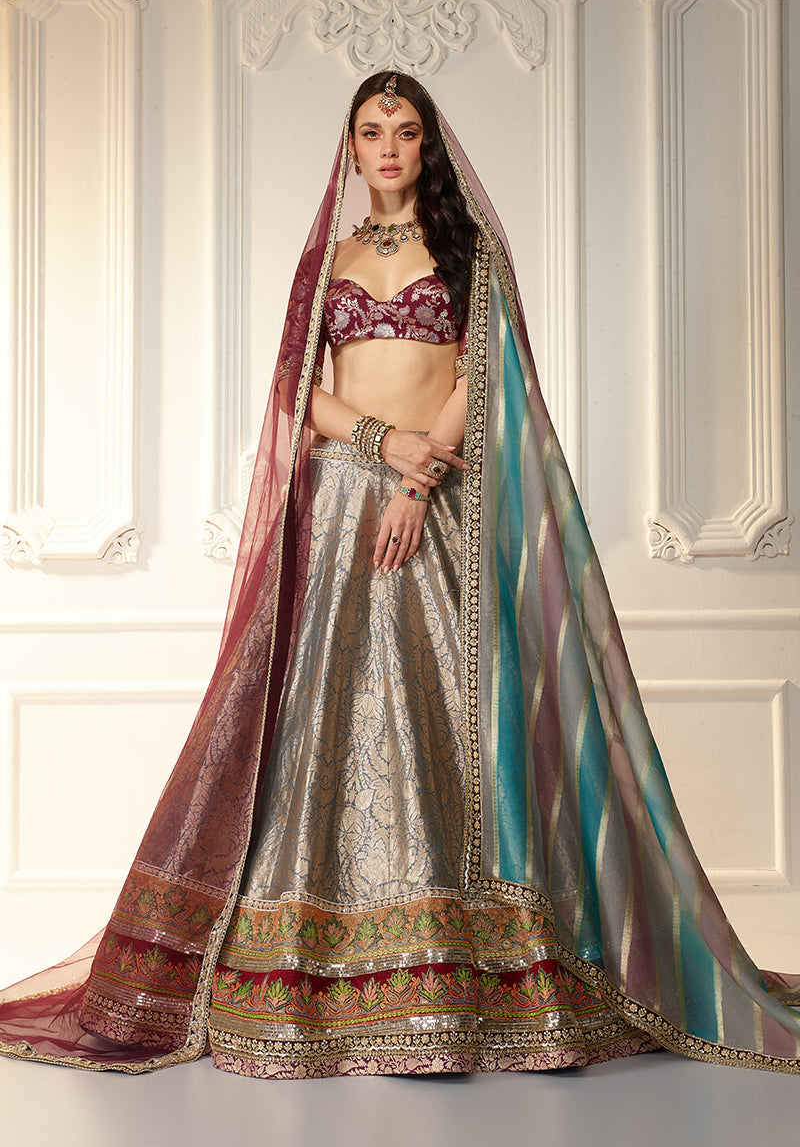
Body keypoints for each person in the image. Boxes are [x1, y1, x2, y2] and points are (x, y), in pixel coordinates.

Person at [1, 71, 799, 1079]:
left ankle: (471, 972)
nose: (387, 147)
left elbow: (483, 371)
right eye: (371, 131)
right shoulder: (330, 260)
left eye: (406, 130)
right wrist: (383, 445)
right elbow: (299, 389)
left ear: (429, 146)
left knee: (458, 712)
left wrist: (420, 476)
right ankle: (323, 964)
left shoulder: (467, 254)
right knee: (322, 720)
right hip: (341, 503)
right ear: (349, 146)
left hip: (440, 502)